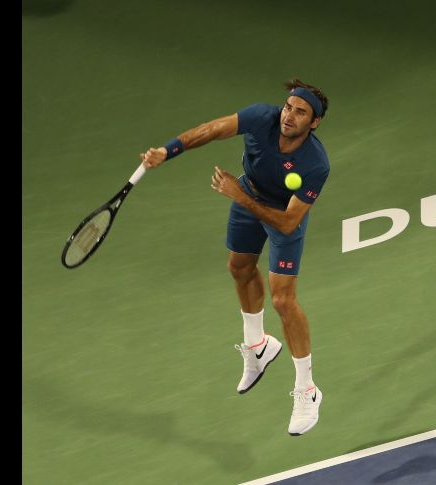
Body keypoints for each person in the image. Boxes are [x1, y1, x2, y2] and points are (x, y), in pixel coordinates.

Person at [140, 79, 330, 436]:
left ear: (314, 122)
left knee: (284, 301)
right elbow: (212, 130)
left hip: (281, 216)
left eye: (301, 112)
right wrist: (169, 151)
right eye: (289, 107)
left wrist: (238, 196)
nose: (289, 116)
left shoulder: (315, 164)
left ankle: (307, 389)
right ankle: (258, 346)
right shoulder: (262, 117)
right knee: (239, 267)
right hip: (249, 195)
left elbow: (289, 223)